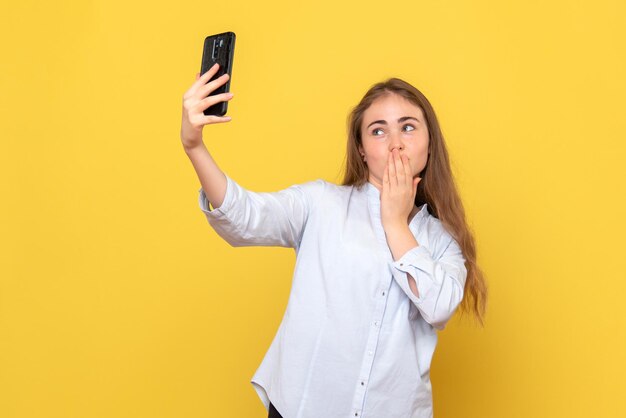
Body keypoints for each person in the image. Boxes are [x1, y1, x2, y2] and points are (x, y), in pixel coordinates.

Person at [181, 63, 488, 418]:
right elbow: (244, 218)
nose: (395, 144)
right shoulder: (321, 203)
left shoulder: (443, 240)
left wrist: (394, 221)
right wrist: (194, 147)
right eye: (377, 131)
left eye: (407, 127)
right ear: (360, 149)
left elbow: (439, 307)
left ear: (429, 141)